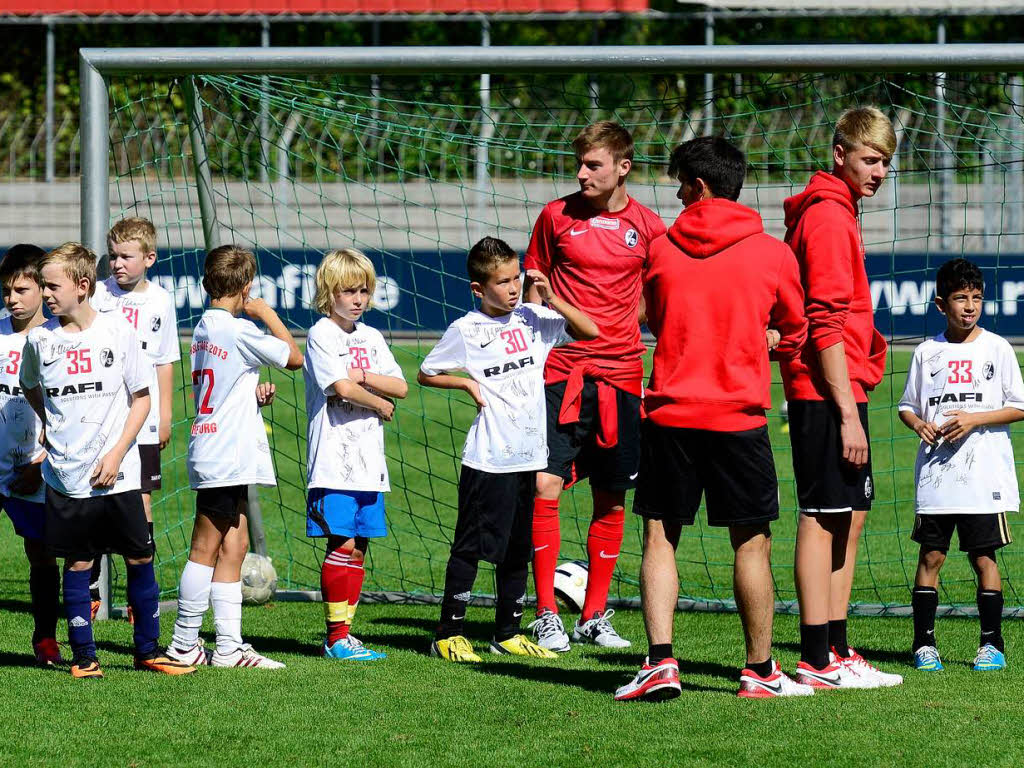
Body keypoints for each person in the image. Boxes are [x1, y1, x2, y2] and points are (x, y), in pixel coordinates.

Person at [615, 137, 812, 701]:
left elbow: (651, 316)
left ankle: (660, 663)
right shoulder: (773, 253)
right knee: (751, 542)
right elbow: (793, 331)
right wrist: (767, 336)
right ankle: (760, 669)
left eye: (680, 185)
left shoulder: (660, 249)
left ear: (699, 187)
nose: (677, 196)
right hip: (739, 417)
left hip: (672, 412)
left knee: (660, 534)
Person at [19, 242, 194, 679]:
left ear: (82, 286)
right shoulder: (41, 340)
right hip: (68, 477)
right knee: (78, 564)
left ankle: (148, 652)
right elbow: (30, 387)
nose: (46, 294)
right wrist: (51, 423)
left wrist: (117, 453)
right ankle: (84, 658)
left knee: (140, 557)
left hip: (119, 475)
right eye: (42, 285)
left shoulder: (118, 332)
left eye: (52, 285)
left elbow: (142, 398)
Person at [420, 236, 599, 662]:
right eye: (502, 281)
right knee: (471, 545)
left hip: (529, 454)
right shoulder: (465, 329)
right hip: (488, 456)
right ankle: (448, 632)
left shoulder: (534, 319)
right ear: (479, 289)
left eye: (516, 276)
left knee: (519, 546)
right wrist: (465, 381)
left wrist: (552, 296)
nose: (514, 286)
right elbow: (428, 372)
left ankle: (507, 632)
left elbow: (590, 331)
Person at [524, 121, 666, 652]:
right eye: (580, 164)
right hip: (561, 372)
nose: (582, 173)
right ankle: (543, 612)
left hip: (622, 377)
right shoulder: (555, 217)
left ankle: (594, 614)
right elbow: (533, 282)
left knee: (611, 498)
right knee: (544, 486)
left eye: (594, 165)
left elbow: (658, 300)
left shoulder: (650, 228)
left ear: (623, 168)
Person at [782, 106, 903, 689]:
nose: (880, 172)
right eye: (871, 159)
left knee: (848, 518)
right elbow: (825, 324)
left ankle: (836, 647)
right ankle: (815, 658)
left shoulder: (840, 210)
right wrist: (848, 414)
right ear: (840, 154)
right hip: (825, 392)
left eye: (887, 163)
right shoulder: (828, 217)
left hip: (842, 386)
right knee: (822, 516)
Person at [166, 245, 303, 669]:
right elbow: (294, 358)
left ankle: (228, 647)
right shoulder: (235, 328)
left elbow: (224, 383)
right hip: (223, 451)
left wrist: (251, 395)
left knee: (236, 543)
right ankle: (184, 642)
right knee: (205, 548)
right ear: (246, 288)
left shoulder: (207, 326)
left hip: (224, 446)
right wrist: (265, 312)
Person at [899, 258, 1023, 673]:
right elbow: (906, 406)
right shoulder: (926, 352)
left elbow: (1019, 406)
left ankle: (991, 644)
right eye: (960, 298)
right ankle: (924, 644)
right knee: (931, 556)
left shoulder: (997, 348)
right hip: (938, 478)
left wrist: (973, 419)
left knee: (983, 558)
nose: (969, 306)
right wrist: (918, 423)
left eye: (976, 298)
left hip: (982, 477)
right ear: (940, 304)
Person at [304, 248, 408, 661]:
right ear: (329, 293)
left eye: (365, 290)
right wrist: (378, 403)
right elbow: (340, 389)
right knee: (342, 545)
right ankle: (334, 637)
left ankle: (345, 633)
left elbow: (399, 385)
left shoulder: (373, 337)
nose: (359, 299)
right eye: (349, 290)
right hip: (332, 461)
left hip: (370, 464)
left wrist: (362, 375)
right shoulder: (321, 335)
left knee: (360, 548)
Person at [88, 217, 179, 621]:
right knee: (93, 496)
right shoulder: (97, 295)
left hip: (143, 420)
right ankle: (90, 586)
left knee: (141, 501)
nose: (117, 264)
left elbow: (164, 359)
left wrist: (166, 413)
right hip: (103, 417)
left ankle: (138, 595)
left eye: (126, 256)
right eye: (113, 255)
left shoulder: (160, 300)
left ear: (149, 258)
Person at [0, 244, 61, 666]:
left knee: (40, 555)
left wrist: (43, 462)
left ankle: (45, 639)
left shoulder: (57, 339)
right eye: (6, 291)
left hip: (34, 468)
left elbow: (70, 411)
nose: (12, 299)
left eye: (21, 289)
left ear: (41, 287)